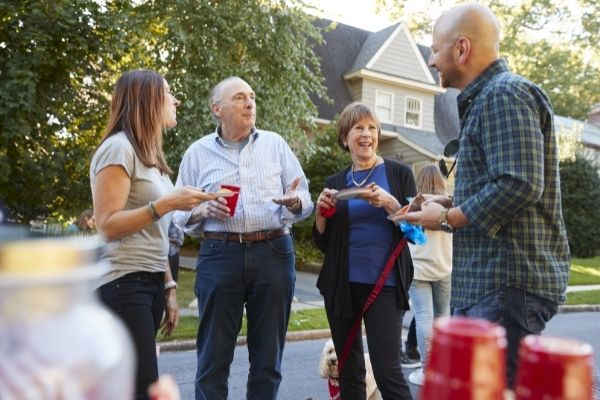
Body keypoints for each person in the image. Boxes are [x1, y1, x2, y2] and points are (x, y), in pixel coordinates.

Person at [390, 4, 570, 387]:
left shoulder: (504, 94)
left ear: (462, 48)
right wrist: (445, 204)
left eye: (435, 48)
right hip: (490, 287)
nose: (431, 59)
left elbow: (520, 183)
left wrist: (445, 219)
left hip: (506, 285)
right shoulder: (487, 101)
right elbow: (502, 186)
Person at [172, 76, 313, 400]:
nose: (249, 102)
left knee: (268, 358)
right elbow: (176, 215)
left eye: (251, 96)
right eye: (239, 97)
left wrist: (295, 203)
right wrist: (203, 209)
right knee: (213, 358)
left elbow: (305, 197)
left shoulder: (275, 145)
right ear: (217, 109)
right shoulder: (197, 153)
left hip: (274, 252)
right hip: (220, 254)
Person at [90, 70, 221, 400]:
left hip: (147, 283)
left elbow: (155, 231)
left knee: (136, 387)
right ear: (146, 100)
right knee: (144, 389)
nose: (175, 100)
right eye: (168, 93)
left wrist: (168, 286)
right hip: (123, 283)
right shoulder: (118, 149)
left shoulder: (150, 158)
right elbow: (106, 224)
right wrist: (164, 204)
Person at [313, 102, 416, 399]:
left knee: (387, 371)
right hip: (342, 286)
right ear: (345, 137)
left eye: (372, 128)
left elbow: (416, 231)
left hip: (386, 285)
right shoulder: (336, 183)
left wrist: (390, 204)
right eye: (358, 128)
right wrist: (321, 214)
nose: (366, 134)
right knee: (349, 371)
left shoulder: (398, 175)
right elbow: (323, 242)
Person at [405, 165, 452, 386]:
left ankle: (427, 371)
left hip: (418, 269)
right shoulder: (449, 205)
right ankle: (443, 368)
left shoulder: (413, 204)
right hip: (444, 268)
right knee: (443, 318)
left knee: (424, 318)